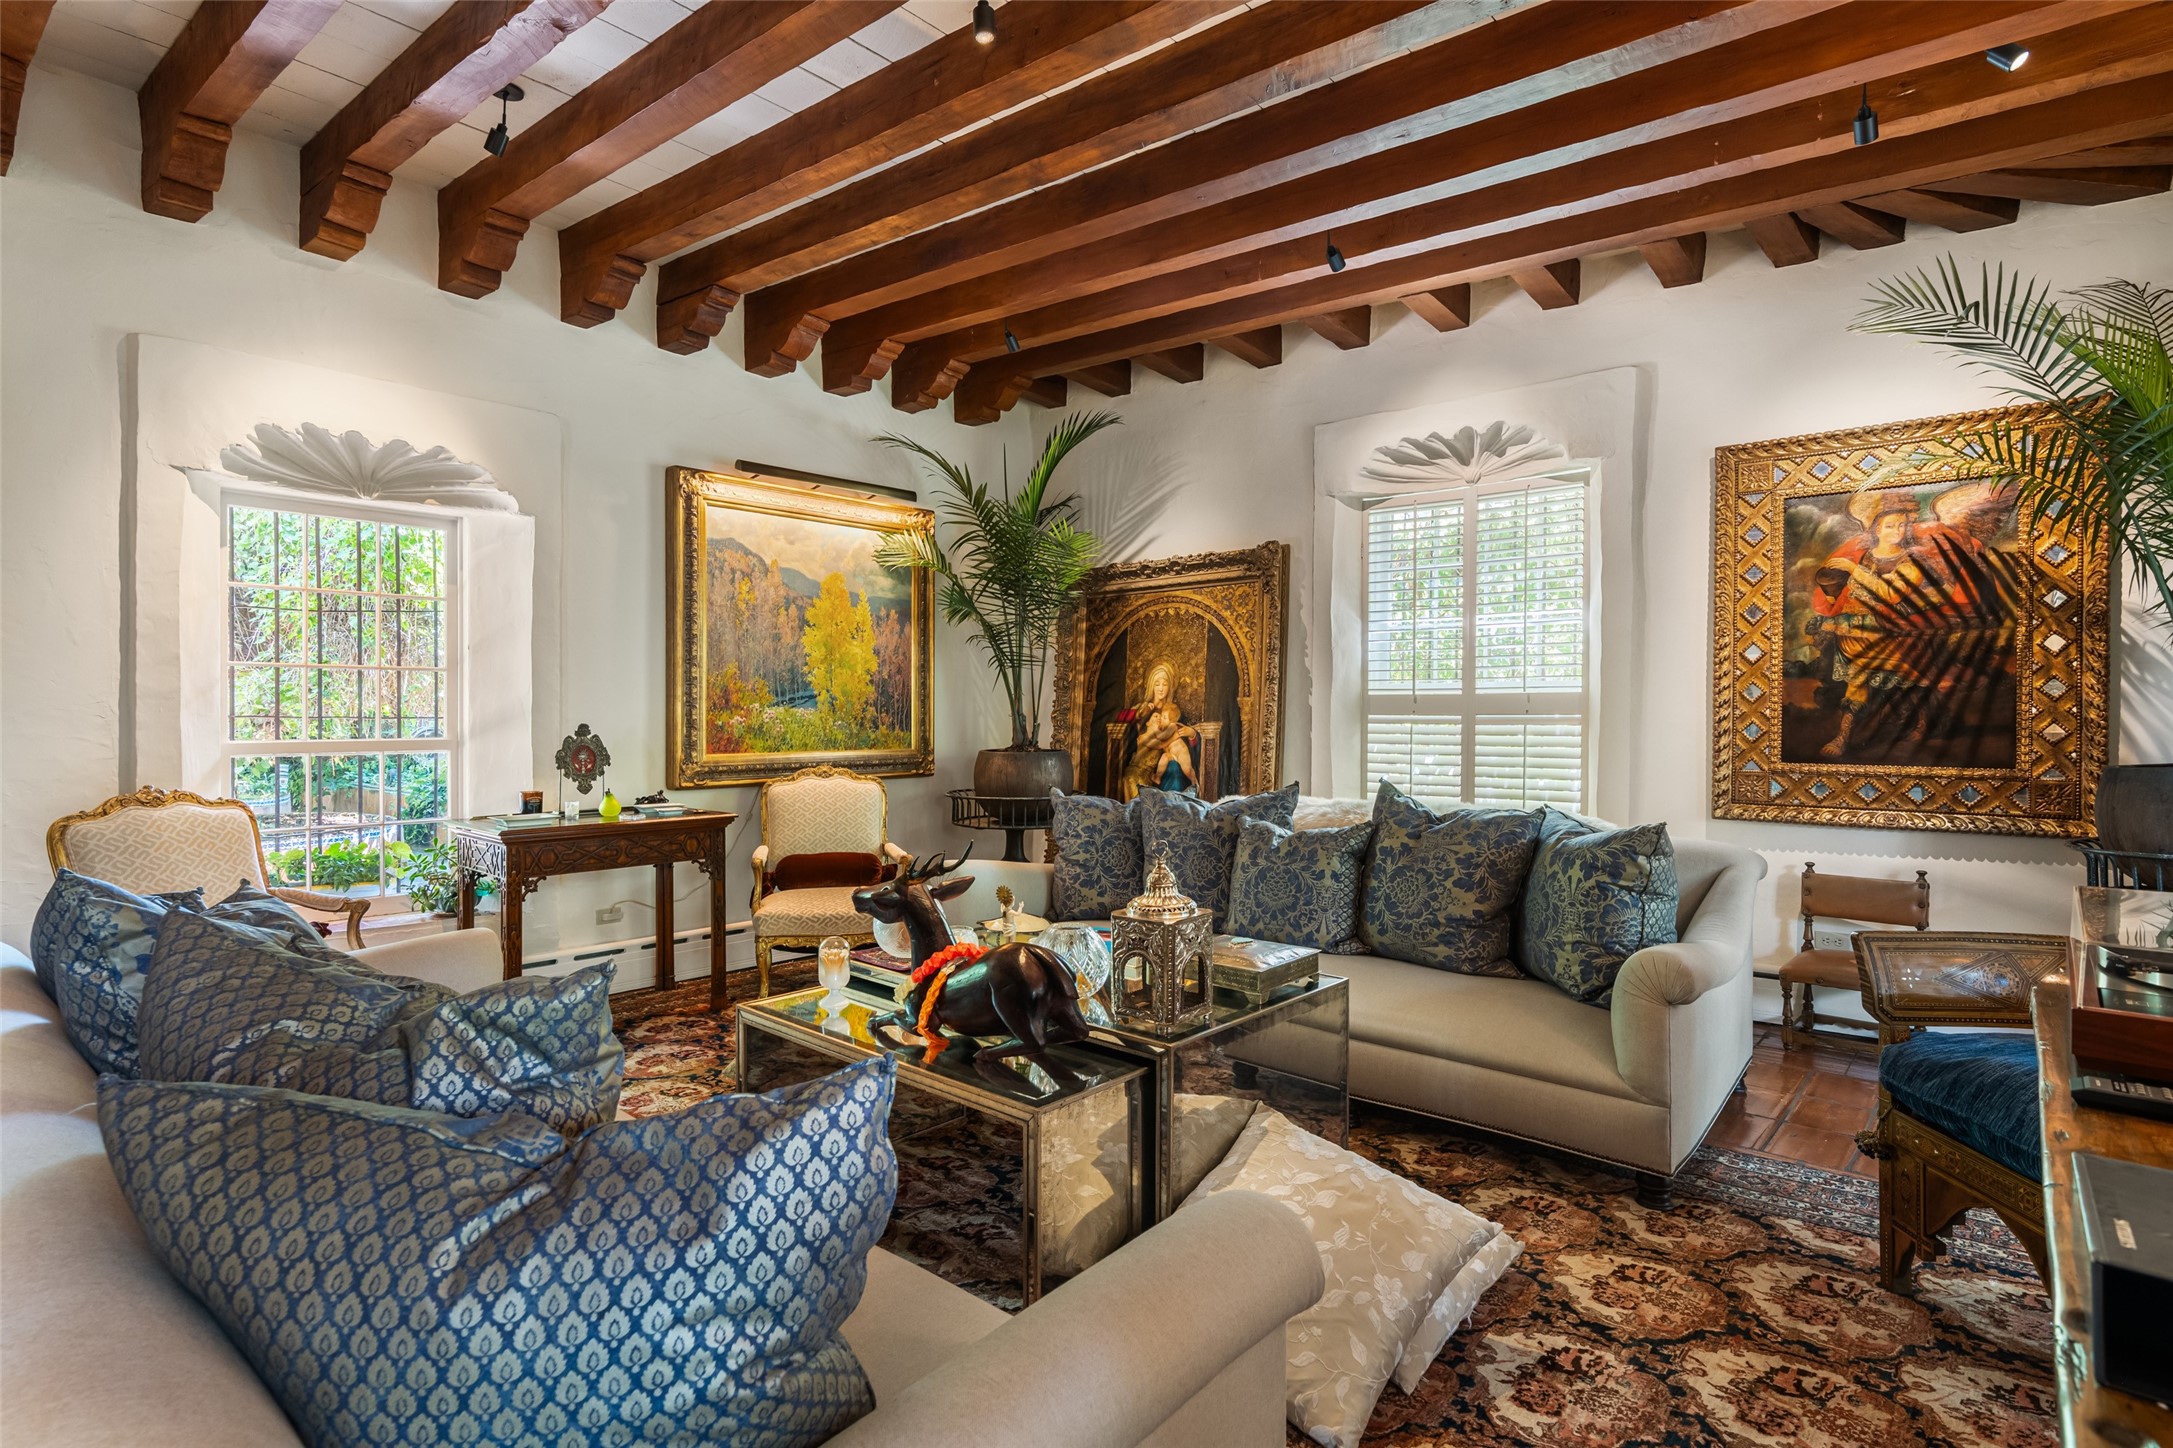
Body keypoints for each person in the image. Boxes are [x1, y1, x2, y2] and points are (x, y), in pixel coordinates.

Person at [1803, 482, 2014, 761]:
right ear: (1876, 529)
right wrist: (1835, 595)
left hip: (1894, 632)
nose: (1898, 531)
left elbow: (1889, 593)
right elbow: (1847, 592)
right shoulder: (1864, 557)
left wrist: (1853, 570)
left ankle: (1920, 724)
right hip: (1855, 631)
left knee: (1909, 679)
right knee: (1861, 680)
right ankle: (1844, 737)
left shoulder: (1911, 563)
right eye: (1890, 526)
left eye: (1902, 526)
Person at [1117, 662, 1199, 799]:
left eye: (1165, 684)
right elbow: (1120, 718)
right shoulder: (1144, 709)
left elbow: (1186, 742)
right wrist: (1140, 713)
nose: (1161, 688)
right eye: (1157, 684)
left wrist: (1192, 734)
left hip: (1166, 763)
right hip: (1144, 764)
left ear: (1170, 686)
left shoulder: (1173, 712)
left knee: (1174, 770)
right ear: (1151, 686)